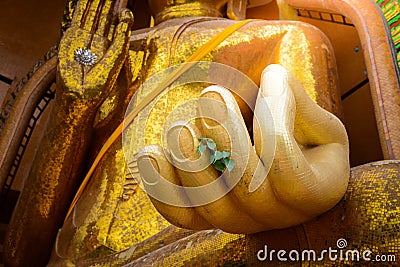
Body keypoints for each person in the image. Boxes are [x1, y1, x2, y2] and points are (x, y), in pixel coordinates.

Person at [5, 0, 389, 266]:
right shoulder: (99, 52)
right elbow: (18, 254)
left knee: (385, 192)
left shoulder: (284, 37)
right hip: (76, 260)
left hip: (197, 251)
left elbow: (322, 212)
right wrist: (75, 105)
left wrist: (300, 186)